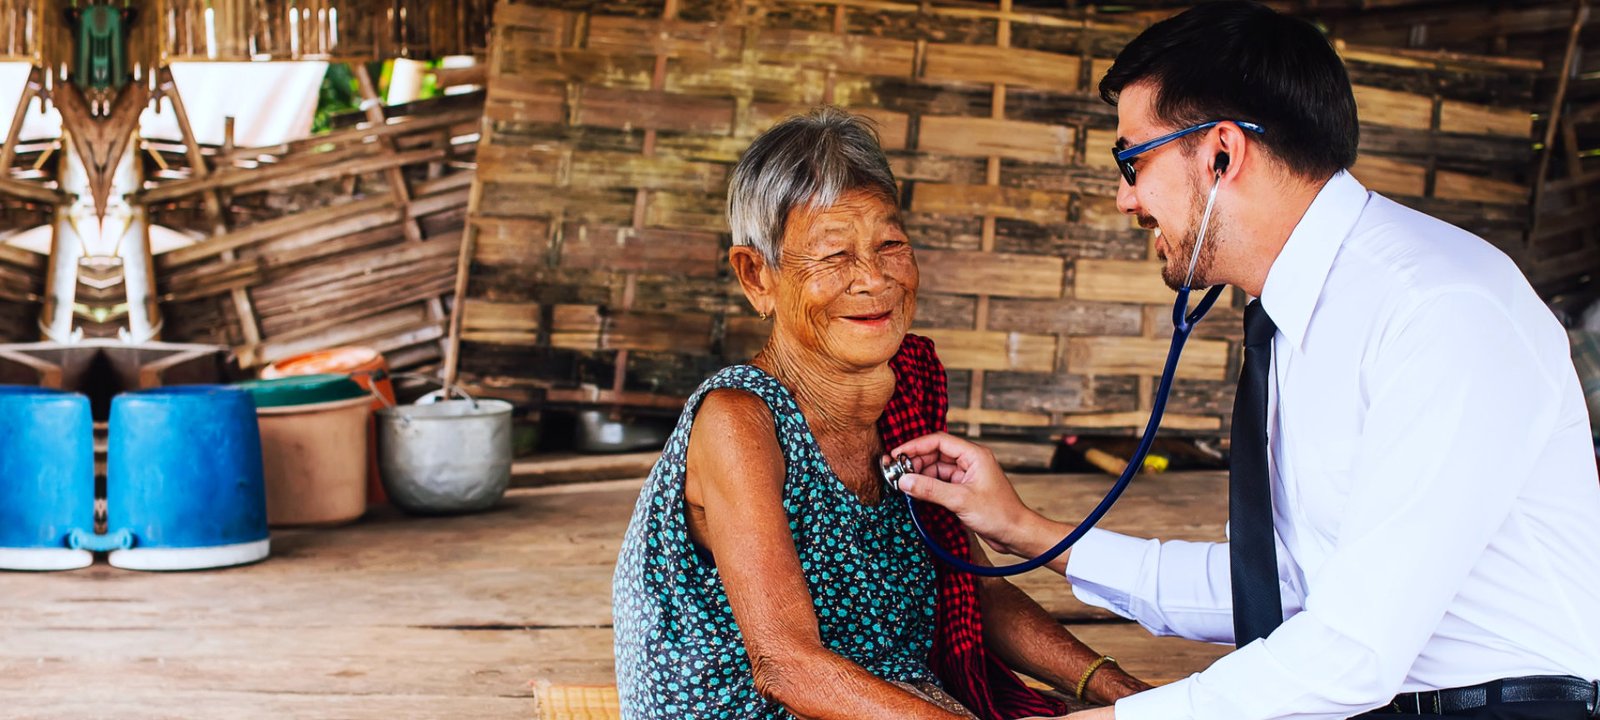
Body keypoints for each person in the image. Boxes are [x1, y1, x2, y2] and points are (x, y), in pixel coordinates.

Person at [890, 3, 1600, 720]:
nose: (1124, 197)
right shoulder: (1299, 319)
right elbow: (1281, 584)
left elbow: (1351, 652)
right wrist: (1026, 530)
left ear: (1221, 152)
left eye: (1132, 159)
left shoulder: (1437, 309)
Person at [612, 107, 1149, 719]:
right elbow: (786, 665)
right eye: (833, 255)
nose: (872, 279)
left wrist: (1124, 691)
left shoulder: (906, 390)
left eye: (891, 244)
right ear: (757, 276)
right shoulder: (739, 421)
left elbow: (975, 596)